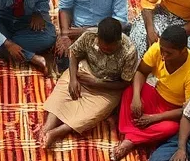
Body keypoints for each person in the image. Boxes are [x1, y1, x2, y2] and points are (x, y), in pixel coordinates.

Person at [40, 18, 139, 147]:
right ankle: (47, 127)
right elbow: (74, 54)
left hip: (108, 87)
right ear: (98, 38)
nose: (106, 51)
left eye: (110, 49)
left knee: (90, 116)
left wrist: (96, 82)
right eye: (103, 48)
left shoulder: (129, 51)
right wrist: (73, 79)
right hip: (84, 72)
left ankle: (57, 132)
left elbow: (125, 83)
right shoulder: (89, 35)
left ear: (119, 41)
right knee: (60, 95)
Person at [113, 25, 190, 161]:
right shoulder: (157, 48)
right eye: (162, 50)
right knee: (129, 92)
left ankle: (130, 139)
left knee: (171, 128)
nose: (163, 55)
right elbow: (141, 72)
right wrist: (137, 98)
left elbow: (188, 111)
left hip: (173, 110)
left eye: (169, 53)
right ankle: (138, 134)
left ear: (183, 51)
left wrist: (154, 118)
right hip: (155, 95)